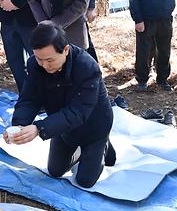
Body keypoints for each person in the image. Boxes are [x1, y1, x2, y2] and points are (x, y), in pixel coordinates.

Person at [7, 23, 116, 188]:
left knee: (85, 181)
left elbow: (78, 112)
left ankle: (102, 144)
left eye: (50, 60)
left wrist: (39, 128)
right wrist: (19, 126)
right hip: (62, 126)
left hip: (93, 126)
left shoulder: (87, 67)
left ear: (65, 50)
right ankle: (80, 151)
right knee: (55, 171)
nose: (44, 65)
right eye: (39, 59)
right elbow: (29, 98)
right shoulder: (35, 65)